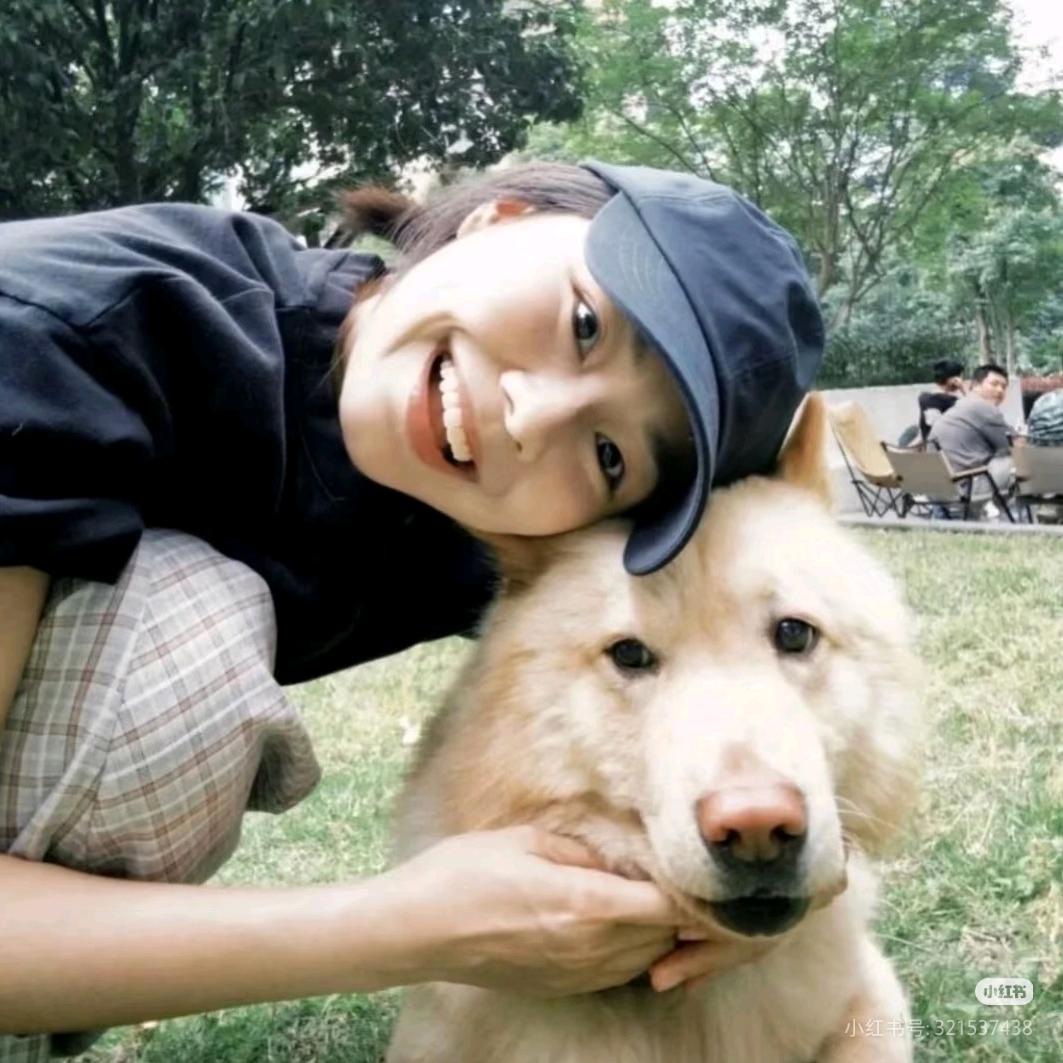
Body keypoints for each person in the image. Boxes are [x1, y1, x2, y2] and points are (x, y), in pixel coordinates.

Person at [0, 161, 823, 1056]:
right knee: (191, 631)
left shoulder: (503, 518)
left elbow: (733, 629)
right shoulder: (59, 335)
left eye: (609, 454)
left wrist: (789, 857)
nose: (528, 415)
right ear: (501, 217)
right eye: (584, 322)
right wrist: (403, 927)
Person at [927, 362, 1017, 497]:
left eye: (1004, 387)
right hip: (969, 490)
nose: (1000, 390)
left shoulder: (958, 407)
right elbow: (1014, 447)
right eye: (994, 384)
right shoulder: (983, 408)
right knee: (1025, 460)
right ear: (975, 385)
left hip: (942, 494)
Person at [917, 358, 967, 443]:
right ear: (954, 380)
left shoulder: (923, 398)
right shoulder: (953, 402)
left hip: (929, 448)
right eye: (961, 377)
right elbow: (976, 408)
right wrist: (963, 387)